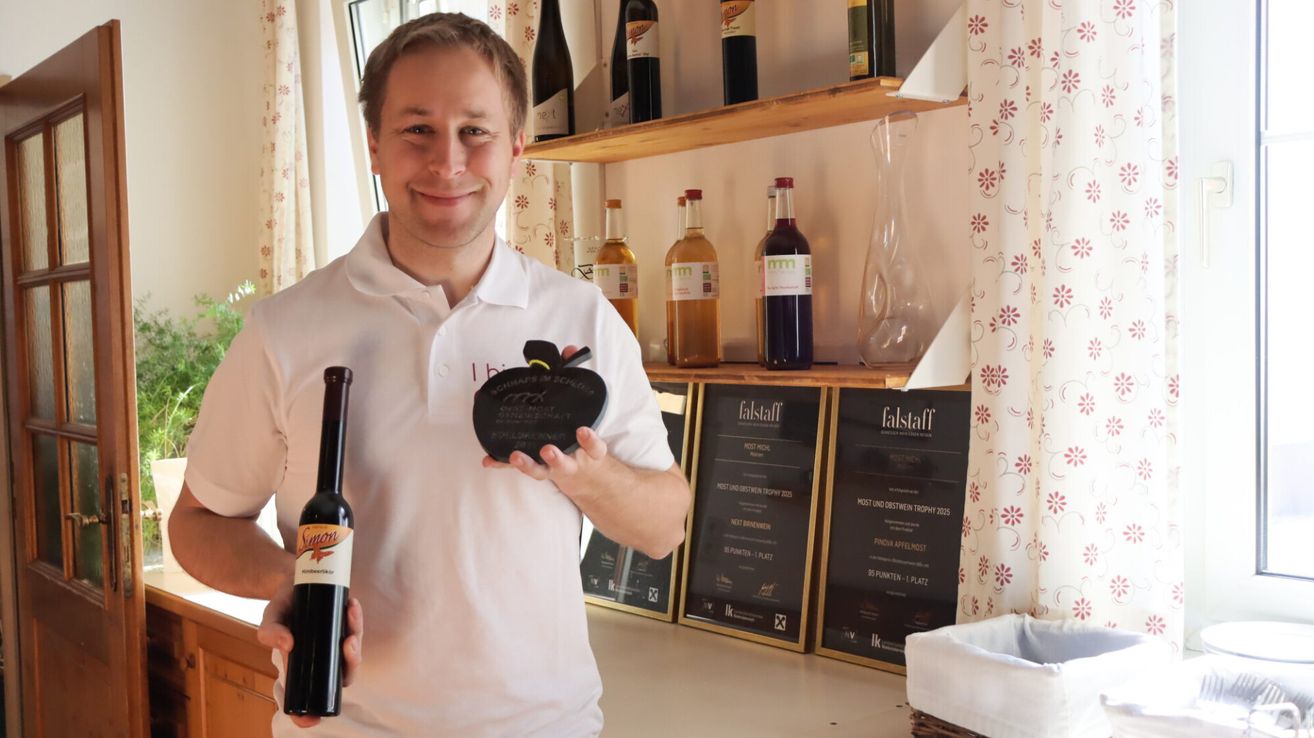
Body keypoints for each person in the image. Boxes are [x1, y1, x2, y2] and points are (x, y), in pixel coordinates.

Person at [168, 12, 691, 737]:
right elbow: (196, 524)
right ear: (375, 146)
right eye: (417, 129)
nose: (447, 162)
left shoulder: (583, 319)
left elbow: (666, 525)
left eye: (475, 131)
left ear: (516, 148)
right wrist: (286, 577)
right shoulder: (284, 330)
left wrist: (585, 475)